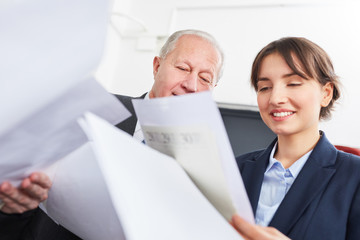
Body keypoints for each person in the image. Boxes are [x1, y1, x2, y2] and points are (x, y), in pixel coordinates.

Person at [0, 29, 224, 239]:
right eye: (184, 68)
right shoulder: (92, 111)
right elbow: (21, 196)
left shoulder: (204, 167)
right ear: (157, 66)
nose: (192, 85)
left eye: (205, 78)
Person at [235, 37, 360, 239]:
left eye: (293, 83)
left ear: (326, 93)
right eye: (264, 87)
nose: (275, 98)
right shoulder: (234, 171)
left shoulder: (354, 177)